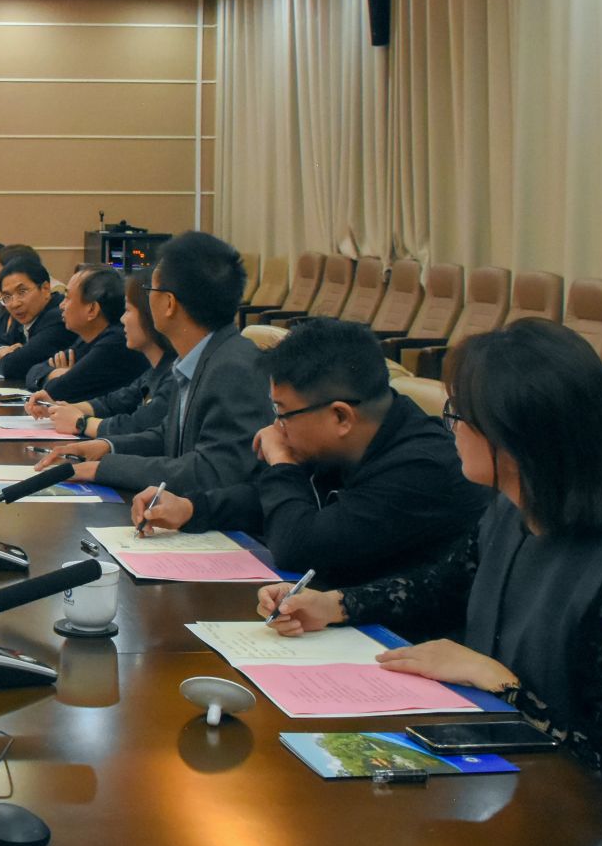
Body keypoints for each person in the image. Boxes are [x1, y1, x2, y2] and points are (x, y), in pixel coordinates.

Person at [263, 319, 602, 846]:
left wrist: (498, 682)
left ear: (514, 436)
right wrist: (334, 605)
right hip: (514, 800)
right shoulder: (513, 509)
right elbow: (445, 585)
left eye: (458, 415)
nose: (448, 428)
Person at [133, 318, 486, 588]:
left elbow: (298, 546)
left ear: (340, 417)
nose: (275, 427)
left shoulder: (421, 468)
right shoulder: (355, 436)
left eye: (283, 413)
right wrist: (191, 508)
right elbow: (273, 501)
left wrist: (281, 461)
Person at [36, 231, 270, 492]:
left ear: (169, 303)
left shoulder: (232, 368)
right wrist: (106, 447)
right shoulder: (199, 357)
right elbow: (168, 436)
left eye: (150, 290)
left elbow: (210, 471)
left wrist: (101, 469)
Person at [33, 268, 174, 435]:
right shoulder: (153, 371)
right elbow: (115, 402)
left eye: (128, 310)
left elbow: (138, 425)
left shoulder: (117, 343)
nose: (122, 319)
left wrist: (81, 422)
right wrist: (59, 408)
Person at [22, 267, 147, 404]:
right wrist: (57, 373)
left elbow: (56, 391)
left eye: (67, 298)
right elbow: (33, 371)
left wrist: (60, 376)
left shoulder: (115, 343)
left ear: (92, 309)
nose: (61, 305)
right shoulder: (88, 337)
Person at [0, 256, 73, 389]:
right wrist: (1, 352)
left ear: (45, 289)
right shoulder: (27, 314)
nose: (15, 304)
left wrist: (7, 359)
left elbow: (12, 367)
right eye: (7, 297)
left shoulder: (59, 318)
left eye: (22, 292)